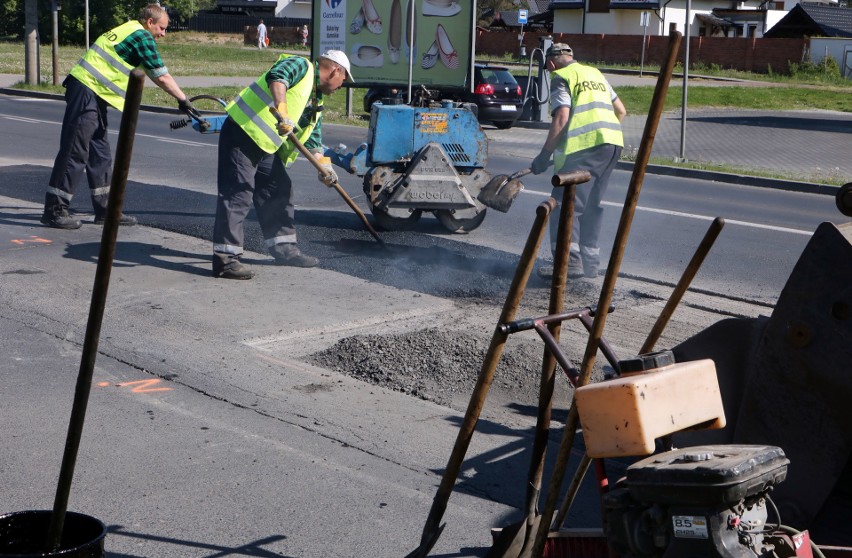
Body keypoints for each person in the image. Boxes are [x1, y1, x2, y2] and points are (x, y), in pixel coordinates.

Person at [41, 3, 197, 230]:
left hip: (93, 94)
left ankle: (106, 210)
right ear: (150, 22)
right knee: (75, 150)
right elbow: (160, 75)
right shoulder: (141, 35)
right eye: (162, 28)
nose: (163, 34)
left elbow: (151, 72)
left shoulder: (131, 30)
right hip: (87, 89)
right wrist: (184, 100)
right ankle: (54, 210)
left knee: (100, 154)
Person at [212, 50, 354, 280]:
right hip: (243, 132)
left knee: (278, 190)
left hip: (265, 145)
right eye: (344, 79)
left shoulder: (316, 101)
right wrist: (283, 111)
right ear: (336, 70)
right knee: (238, 193)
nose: (342, 85)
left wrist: (325, 168)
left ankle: (285, 250)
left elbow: (313, 142)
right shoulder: (303, 66)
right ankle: (225, 260)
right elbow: (278, 76)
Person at [531, 43, 627, 280]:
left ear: (551, 63)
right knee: (591, 205)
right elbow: (621, 110)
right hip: (612, 145)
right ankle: (590, 264)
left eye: (549, 69)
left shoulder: (561, 77)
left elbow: (562, 117)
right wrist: (603, 136)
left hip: (586, 147)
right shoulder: (595, 73)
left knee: (563, 205)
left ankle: (569, 263)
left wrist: (544, 155)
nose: (550, 72)